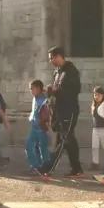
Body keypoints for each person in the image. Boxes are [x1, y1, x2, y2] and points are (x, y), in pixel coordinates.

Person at [35, 47, 83, 179]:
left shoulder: (71, 71)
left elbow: (74, 91)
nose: (50, 61)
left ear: (59, 56)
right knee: (68, 139)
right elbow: (57, 92)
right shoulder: (57, 72)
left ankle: (48, 168)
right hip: (59, 110)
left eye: (51, 58)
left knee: (64, 139)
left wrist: (56, 90)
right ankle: (77, 168)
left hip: (69, 110)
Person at [25, 80, 50, 172]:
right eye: (30, 89)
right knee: (29, 145)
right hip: (34, 126)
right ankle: (35, 165)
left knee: (42, 148)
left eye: (32, 88)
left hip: (41, 127)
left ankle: (46, 166)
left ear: (39, 88)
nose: (30, 91)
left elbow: (47, 114)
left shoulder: (44, 100)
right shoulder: (35, 98)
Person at [90, 86, 104, 171]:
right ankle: (95, 163)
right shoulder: (93, 105)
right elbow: (93, 116)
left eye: (98, 95)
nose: (97, 96)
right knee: (94, 147)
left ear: (103, 95)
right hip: (95, 129)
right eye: (95, 95)